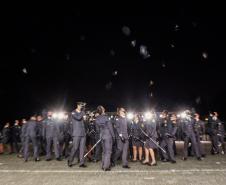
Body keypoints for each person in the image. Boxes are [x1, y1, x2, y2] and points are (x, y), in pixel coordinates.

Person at [95, 106, 115, 171]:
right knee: (108, 151)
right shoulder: (106, 117)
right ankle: (106, 166)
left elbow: (97, 130)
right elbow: (110, 128)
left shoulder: (97, 118)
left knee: (104, 151)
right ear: (103, 110)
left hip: (101, 135)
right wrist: (113, 136)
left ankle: (103, 165)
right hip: (108, 135)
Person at [68, 102, 87, 168]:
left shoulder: (82, 112)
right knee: (75, 148)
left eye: (82, 105)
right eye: (81, 105)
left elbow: (85, 121)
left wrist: (85, 116)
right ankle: (70, 160)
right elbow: (78, 118)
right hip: (76, 133)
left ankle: (82, 163)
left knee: (82, 149)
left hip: (83, 133)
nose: (82, 106)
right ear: (78, 105)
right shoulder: (73, 112)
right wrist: (83, 112)